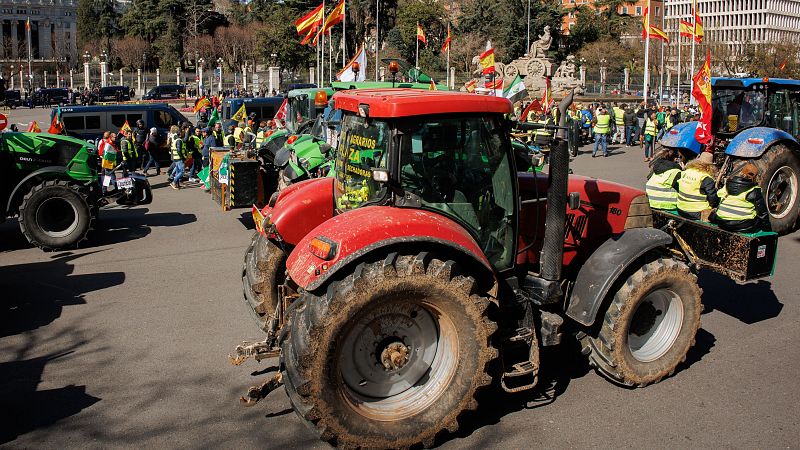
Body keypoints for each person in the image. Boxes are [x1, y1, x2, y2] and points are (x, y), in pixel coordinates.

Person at [711, 163, 771, 232]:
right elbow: (762, 213)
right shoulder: (753, 190)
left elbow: (717, 197)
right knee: (758, 219)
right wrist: (768, 230)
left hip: (721, 221)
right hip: (742, 225)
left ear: (742, 172)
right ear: (755, 177)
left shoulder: (727, 186)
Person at [677, 152, 719, 220]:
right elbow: (712, 198)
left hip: (680, 209)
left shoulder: (686, 172)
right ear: (711, 166)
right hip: (697, 212)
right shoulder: (706, 178)